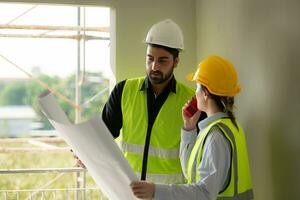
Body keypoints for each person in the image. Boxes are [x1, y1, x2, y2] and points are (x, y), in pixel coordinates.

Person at [130, 55, 254, 200]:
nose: (195, 93)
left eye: (197, 87)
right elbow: (191, 174)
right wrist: (189, 128)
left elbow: (204, 193)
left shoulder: (216, 137)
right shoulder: (230, 127)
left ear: (205, 93)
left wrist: (156, 191)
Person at [102, 19, 203, 184]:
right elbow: (104, 134)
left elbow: (200, 156)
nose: (154, 66)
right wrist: (83, 152)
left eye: (162, 60)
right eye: (150, 59)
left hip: (170, 195)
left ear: (176, 61)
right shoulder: (123, 90)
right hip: (131, 192)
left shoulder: (193, 101)